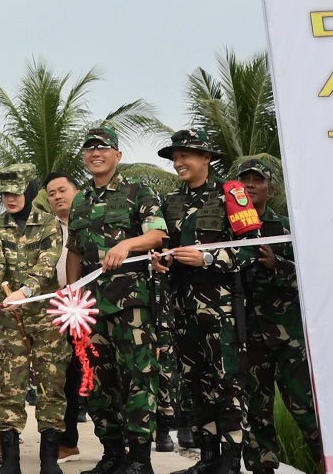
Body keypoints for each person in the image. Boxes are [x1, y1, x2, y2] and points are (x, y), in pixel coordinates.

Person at [152, 129, 262, 474]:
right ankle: (208, 458)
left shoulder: (231, 194)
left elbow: (251, 250)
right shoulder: (170, 201)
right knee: (195, 382)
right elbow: (166, 246)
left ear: (205, 159)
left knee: (227, 383)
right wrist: (163, 261)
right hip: (181, 307)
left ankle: (230, 462)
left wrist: (209, 260)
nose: (178, 162)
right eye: (174, 157)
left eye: (185, 155)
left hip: (221, 307)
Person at [65, 127, 167, 474]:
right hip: (91, 307)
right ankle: (112, 453)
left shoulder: (138, 190)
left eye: (103, 148)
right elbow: (74, 251)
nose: (96, 153)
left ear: (117, 155)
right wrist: (73, 294)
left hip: (130, 302)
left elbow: (158, 233)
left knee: (139, 376)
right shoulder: (80, 200)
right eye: (89, 148)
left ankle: (139, 459)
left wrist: (127, 245)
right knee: (97, 380)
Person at [0, 163, 68, 474]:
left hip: (46, 320)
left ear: (28, 191)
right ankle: (11, 461)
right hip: (10, 321)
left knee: (51, 385)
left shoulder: (48, 224)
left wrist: (26, 290)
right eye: (5, 194)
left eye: (16, 193)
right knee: (10, 385)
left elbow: (47, 263)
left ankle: (49, 461)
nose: (10, 199)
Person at [232, 159, 321, 473]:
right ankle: (262, 468)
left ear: (271, 188)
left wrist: (277, 266)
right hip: (248, 337)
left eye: (258, 180)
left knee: (308, 408)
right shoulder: (226, 228)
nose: (251, 186)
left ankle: (331, 464)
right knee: (255, 412)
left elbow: (314, 275)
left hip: (288, 337)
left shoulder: (286, 228)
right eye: (245, 181)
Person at [43, 171, 84, 463]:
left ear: (77, 191)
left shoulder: (93, 220)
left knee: (104, 375)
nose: (57, 197)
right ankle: (67, 442)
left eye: (62, 190)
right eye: (51, 194)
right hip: (59, 309)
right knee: (64, 377)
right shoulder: (46, 229)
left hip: (98, 306)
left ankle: (121, 447)